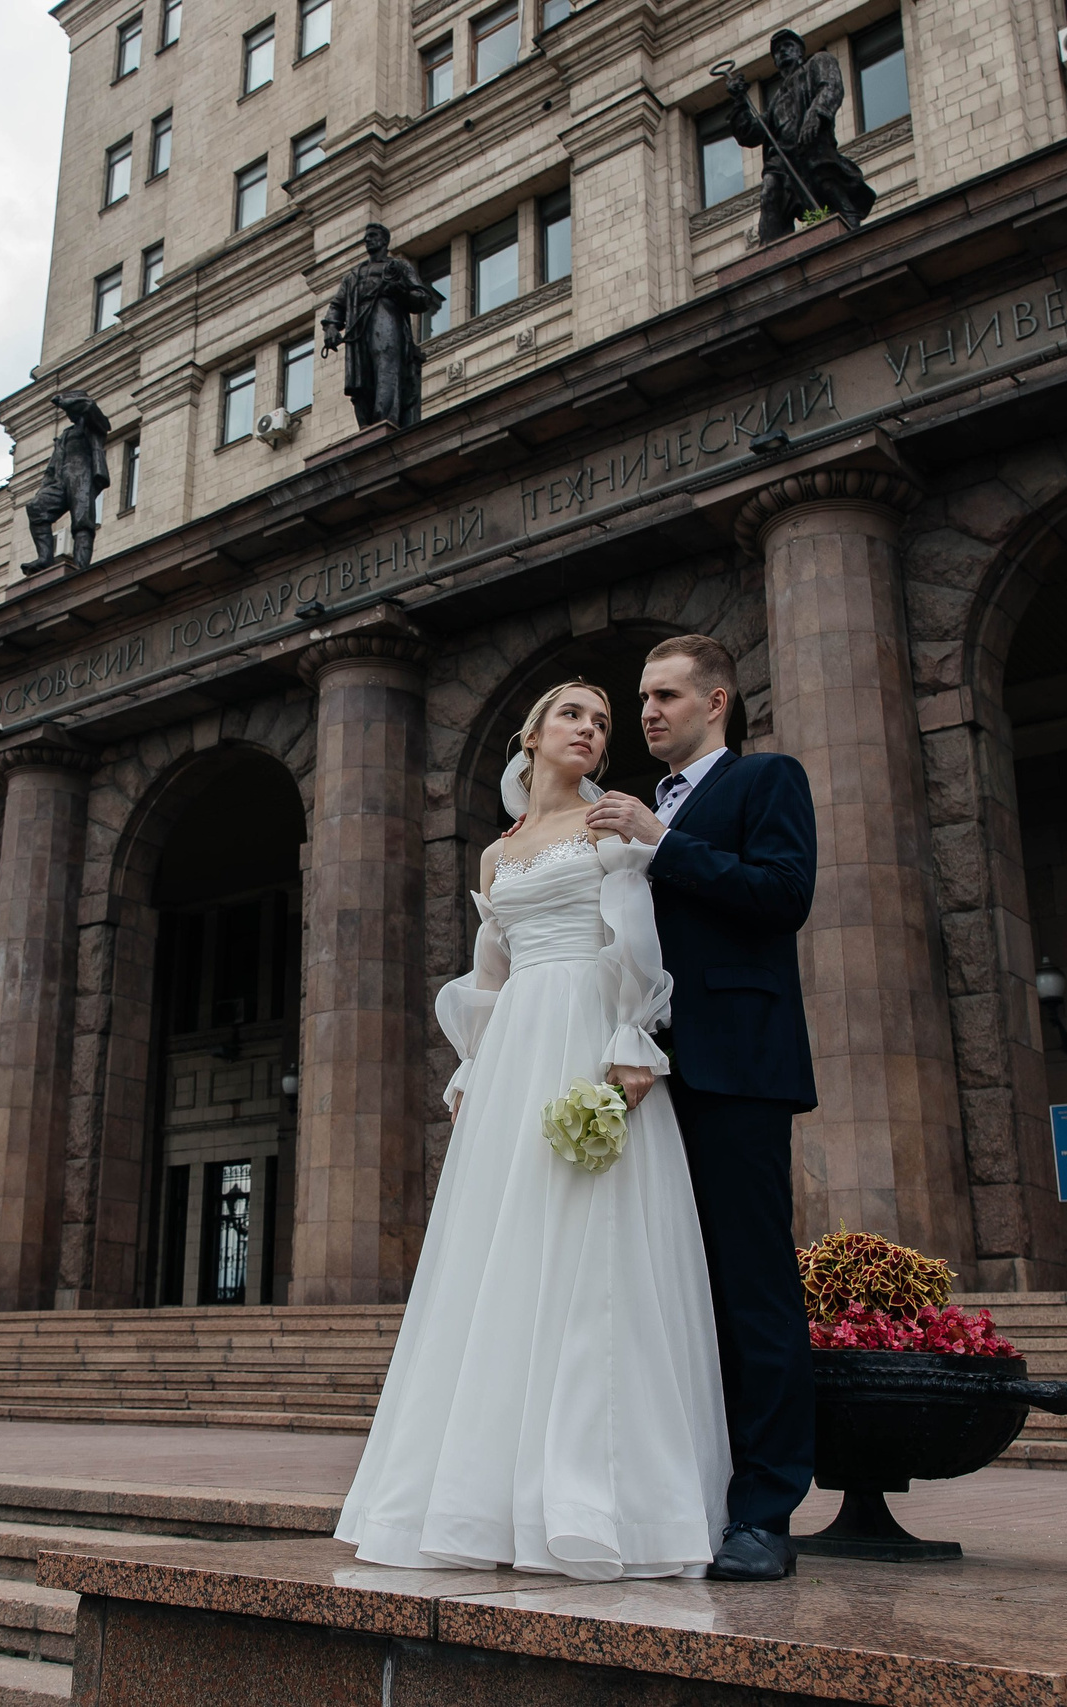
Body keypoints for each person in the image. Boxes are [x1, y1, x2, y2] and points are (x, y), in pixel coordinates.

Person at [336, 680, 730, 1581]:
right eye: (573, 716)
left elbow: (634, 940)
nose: (591, 729)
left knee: (593, 1245)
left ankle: (599, 1494)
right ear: (533, 734)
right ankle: (484, 1493)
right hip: (516, 1051)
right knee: (499, 1255)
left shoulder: (610, 830)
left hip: (588, 1033)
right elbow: (492, 970)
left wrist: (633, 1042)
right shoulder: (495, 854)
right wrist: (472, 1069)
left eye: (601, 720)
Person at [585, 633, 818, 1581]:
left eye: (667, 696)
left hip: (736, 1069)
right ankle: (680, 1492)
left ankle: (766, 1509)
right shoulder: (631, 811)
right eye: (642, 697)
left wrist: (662, 842)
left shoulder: (765, 779)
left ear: (716, 700)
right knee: (664, 1290)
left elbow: (782, 895)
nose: (648, 712)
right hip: (643, 1075)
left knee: (750, 1288)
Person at [715, 29, 878, 241]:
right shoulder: (777, 101)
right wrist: (738, 101)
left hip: (812, 148)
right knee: (770, 192)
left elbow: (831, 86)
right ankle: (771, 255)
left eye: (787, 47)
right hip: (784, 160)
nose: (782, 52)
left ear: (800, 52)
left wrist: (816, 113)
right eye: (777, 51)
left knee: (826, 183)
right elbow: (751, 133)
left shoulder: (818, 63)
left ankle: (851, 226)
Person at [319, 223, 443, 431]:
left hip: (386, 318)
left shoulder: (398, 267)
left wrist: (400, 291)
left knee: (386, 366)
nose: (367, 240)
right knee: (361, 377)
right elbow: (337, 306)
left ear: (384, 241)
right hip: (359, 327)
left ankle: (384, 421)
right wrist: (331, 327)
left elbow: (422, 298)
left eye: (373, 236)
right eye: (366, 237)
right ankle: (366, 426)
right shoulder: (353, 275)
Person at [21, 391, 112, 573]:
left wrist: (65, 401)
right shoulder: (65, 434)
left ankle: (80, 567)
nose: (68, 414)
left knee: (82, 521)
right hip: (59, 479)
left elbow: (89, 406)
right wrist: (45, 486)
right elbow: (52, 465)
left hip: (82, 474)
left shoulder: (93, 425)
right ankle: (45, 559)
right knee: (36, 508)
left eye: (70, 409)